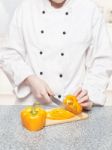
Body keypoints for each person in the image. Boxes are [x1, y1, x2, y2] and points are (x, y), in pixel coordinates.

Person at [0, 0, 112, 109]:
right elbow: (9, 55)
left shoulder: (90, 10)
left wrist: (89, 94)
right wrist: (30, 79)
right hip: (31, 107)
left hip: (73, 108)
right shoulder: (25, 9)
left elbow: (102, 61)